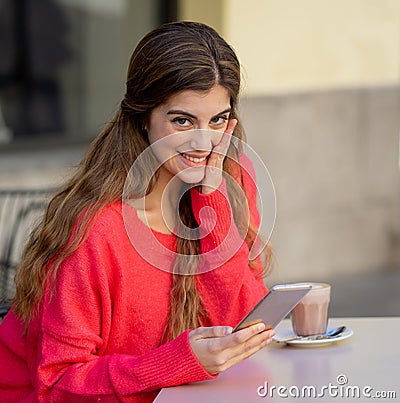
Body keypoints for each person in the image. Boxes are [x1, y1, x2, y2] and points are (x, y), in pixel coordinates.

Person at [0, 21, 274, 402]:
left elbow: (242, 325)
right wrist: (176, 362)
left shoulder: (231, 185)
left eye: (218, 119)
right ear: (144, 118)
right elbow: (57, 384)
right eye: (182, 120)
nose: (204, 141)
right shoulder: (97, 230)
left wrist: (211, 200)